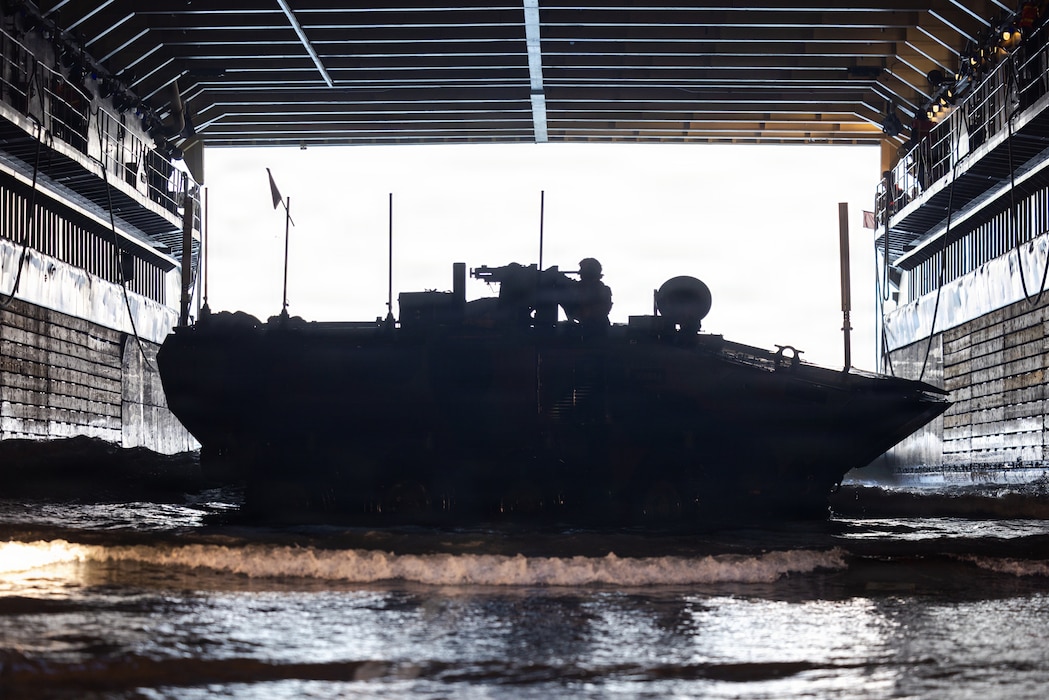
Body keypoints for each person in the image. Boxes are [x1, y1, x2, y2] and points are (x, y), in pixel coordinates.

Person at [564, 257, 612, 332]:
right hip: (588, 328)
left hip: (597, 330)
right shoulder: (580, 288)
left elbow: (597, 312)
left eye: (582, 269)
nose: (579, 272)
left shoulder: (602, 290)